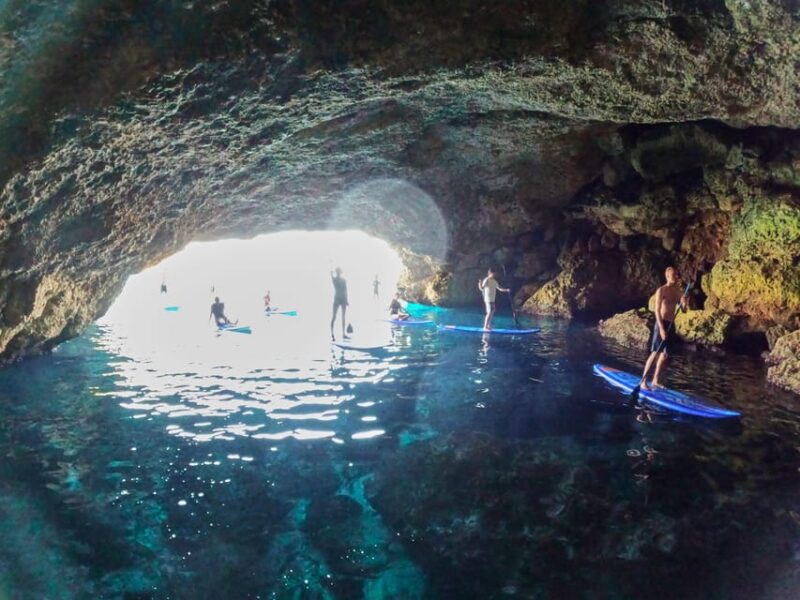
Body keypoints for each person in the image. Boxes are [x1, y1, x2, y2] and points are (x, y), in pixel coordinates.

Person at [638, 266, 688, 390]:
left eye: (677, 274)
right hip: (661, 323)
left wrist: (684, 302)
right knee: (655, 352)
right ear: (667, 276)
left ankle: (655, 380)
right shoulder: (661, 290)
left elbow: (684, 310)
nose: (676, 277)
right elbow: (656, 310)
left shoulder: (678, 292)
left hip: (671, 324)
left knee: (665, 355)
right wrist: (661, 329)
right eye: (674, 275)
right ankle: (643, 382)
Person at [330, 267, 349, 341]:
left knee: (343, 317)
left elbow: (345, 290)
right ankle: (332, 334)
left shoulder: (343, 280)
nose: (338, 273)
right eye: (337, 272)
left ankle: (343, 334)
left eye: (339, 272)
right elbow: (331, 274)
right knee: (334, 316)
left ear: (340, 273)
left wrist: (347, 300)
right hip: (337, 299)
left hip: (343, 299)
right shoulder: (334, 279)